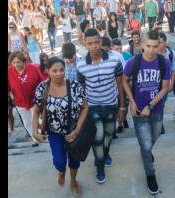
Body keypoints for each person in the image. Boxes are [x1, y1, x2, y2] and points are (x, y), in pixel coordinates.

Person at [122, 30, 171, 195]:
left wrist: (150, 106)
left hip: (156, 109)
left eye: (155, 46)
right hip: (137, 111)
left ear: (160, 46)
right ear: (142, 44)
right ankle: (150, 174)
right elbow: (124, 80)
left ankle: (145, 152)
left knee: (154, 137)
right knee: (146, 144)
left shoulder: (164, 63)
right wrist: (132, 101)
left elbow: (165, 88)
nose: (151, 50)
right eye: (148, 46)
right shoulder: (133, 62)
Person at [32, 57, 88, 197]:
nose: (59, 73)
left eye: (62, 70)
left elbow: (85, 108)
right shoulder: (42, 87)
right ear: (48, 71)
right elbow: (36, 110)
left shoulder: (74, 86)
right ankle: (61, 172)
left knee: (74, 160)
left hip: (73, 131)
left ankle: (74, 182)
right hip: (54, 132)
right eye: (54, 70)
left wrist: (77, 130)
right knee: (59, 161)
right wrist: (35, 131)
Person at [76, 28, 126, 184]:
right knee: (98, 137)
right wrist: (82, 112)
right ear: (84, 43)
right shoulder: (81, 65)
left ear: (101, 42)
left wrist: (122, 107)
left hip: (111, 105)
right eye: (89, 43)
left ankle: (105, 153)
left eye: (96, 42)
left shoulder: (114, 60)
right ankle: (99, 165)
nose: (94, 46)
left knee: (109, 134)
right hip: (92, 107)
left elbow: (120, 84)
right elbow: (82, 89)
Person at [8, 52, 44, 146]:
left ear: (24, 61)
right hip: (20, 102)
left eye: (18, 62)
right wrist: (12, 97)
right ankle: (35, 139)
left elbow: (44, 81)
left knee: (36, 120)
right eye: (14, 62)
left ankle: (39, 136)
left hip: (35, 101)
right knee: (27, 122)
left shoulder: (34, 68)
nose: (16, 64)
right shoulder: (9, 72)